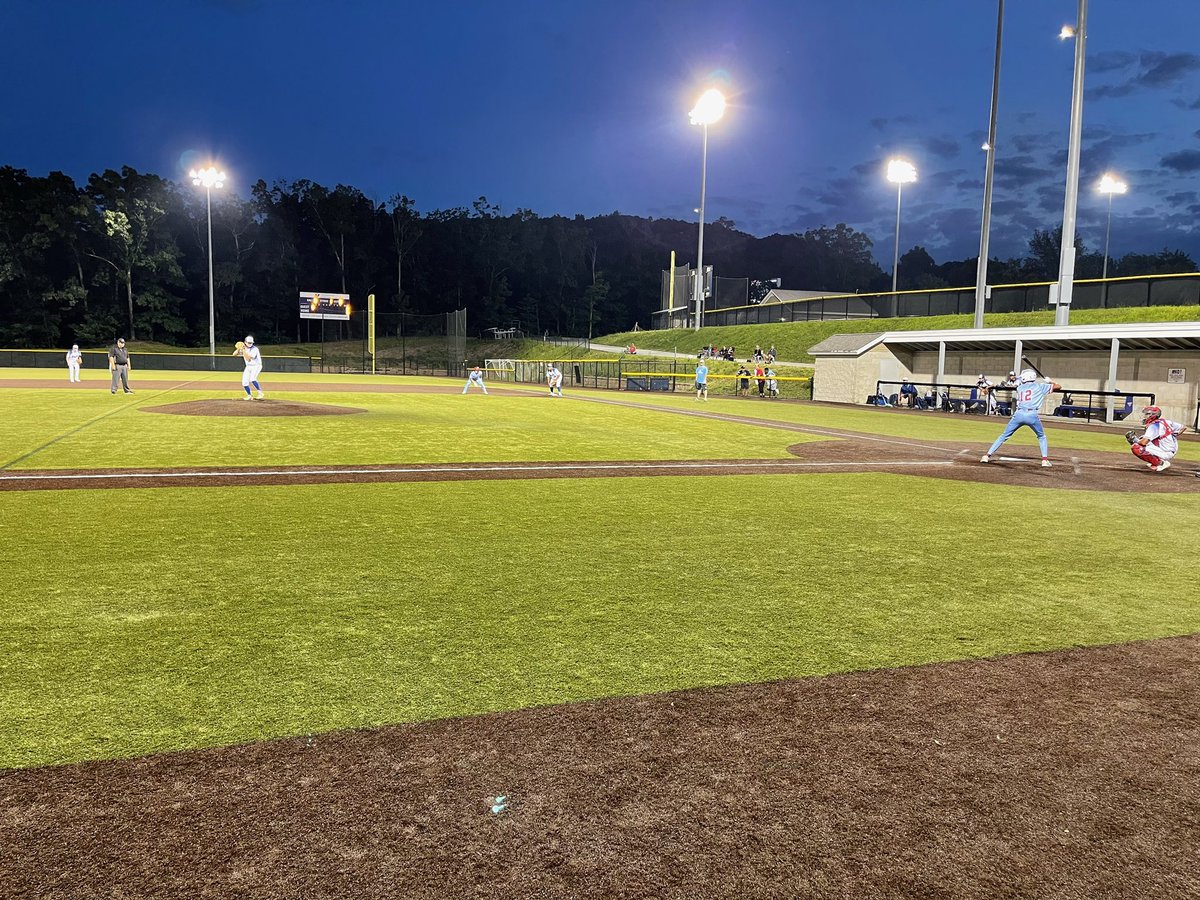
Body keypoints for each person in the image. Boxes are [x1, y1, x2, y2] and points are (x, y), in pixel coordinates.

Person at [980, 369, 1060, 467]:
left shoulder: (1020, 388)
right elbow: (1059, 387)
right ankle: (1044, 460)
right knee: (1041, 436)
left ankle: (987, 455)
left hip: (1018, 414)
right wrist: (1050, 381)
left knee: (1004, 436)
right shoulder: (1040, 386)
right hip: (1032, 415)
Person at [1129, 405, 1185, 472]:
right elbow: (1183, 427)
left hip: (1165, 452)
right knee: (1143, 438)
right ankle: (1157, 460)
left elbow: (1144, 442)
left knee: (1136, 447)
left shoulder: (1154, 426)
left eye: (1147, 414)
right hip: (1171, 449)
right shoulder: (1165, 421)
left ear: (1152, 415)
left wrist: (1134, 440)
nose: (1144, 416)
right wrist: (1173, 435)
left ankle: (1161, 463)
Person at [233, 335, 264, 400]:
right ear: (245, 342)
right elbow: (234, 354)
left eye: (251, 343)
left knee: (252, 379)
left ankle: (260, 393)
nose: (250, 344)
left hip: (256, 365)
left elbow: (248, 359)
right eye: (249, 343)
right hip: (248, 366)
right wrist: (239, 349)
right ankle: (249, 395)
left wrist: (243, 350)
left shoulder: (255, 349)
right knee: (244, 382)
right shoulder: (244, 348)